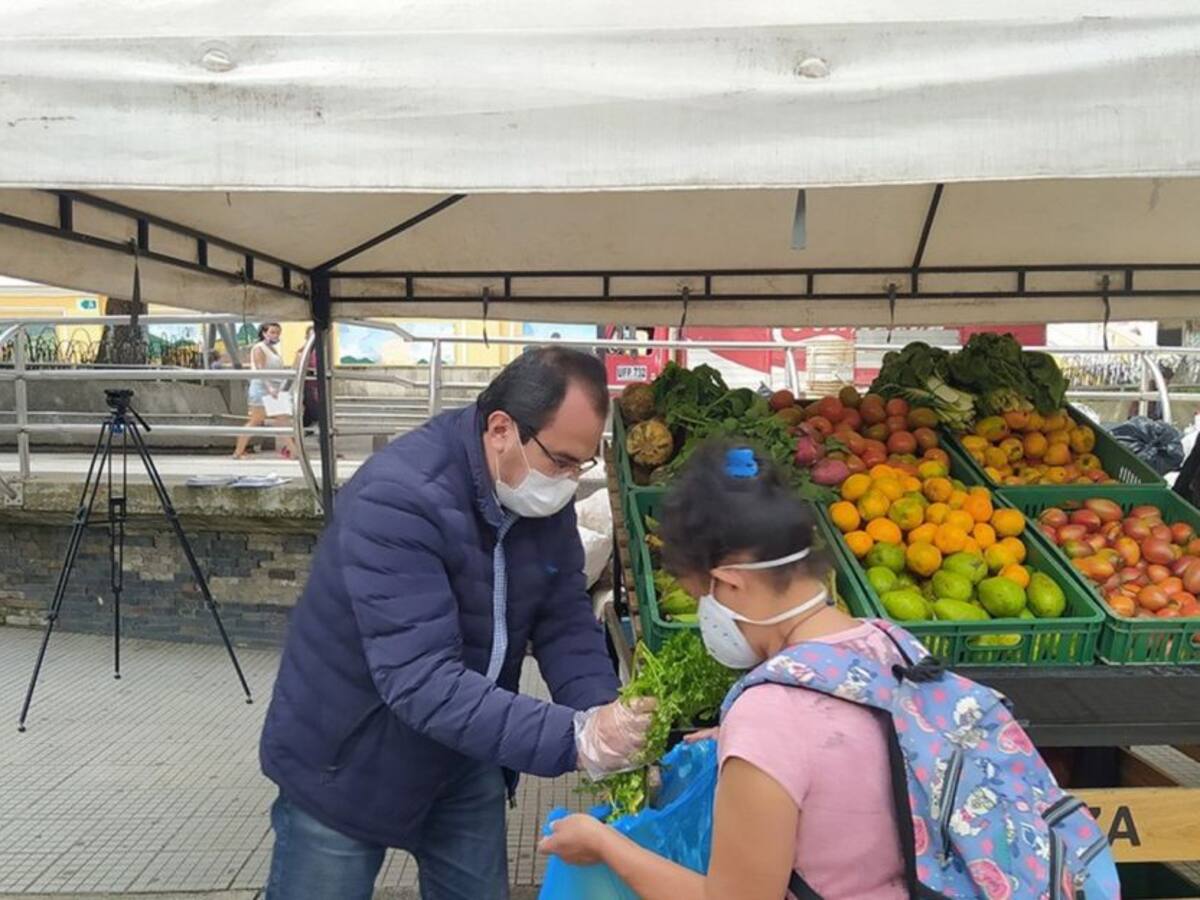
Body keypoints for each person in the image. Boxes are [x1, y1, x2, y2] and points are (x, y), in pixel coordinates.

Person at [260, 347, 653, 900]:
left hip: (465, 749)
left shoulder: (538, 494)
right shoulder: (398, 498)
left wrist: (604, 715)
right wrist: (575, 738)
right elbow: (419, 679)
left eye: (581, 465)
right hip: (347, 757)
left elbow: (563, 618)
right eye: (563, 461)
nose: (569, 481)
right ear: (500, 429)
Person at [540, 442, 906, 900]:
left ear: (730, 582)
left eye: (700, 599)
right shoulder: (888, 643)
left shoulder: (771, 717)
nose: (704, 616)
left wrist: (604, 845)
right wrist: (747, 747)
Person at [233, 322, 298, 460]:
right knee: (256, 420)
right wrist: (269, 387)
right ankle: (238, 452)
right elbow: (260, 369)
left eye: (278, 333)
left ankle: (294, 452)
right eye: (272, 332)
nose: (276, 335)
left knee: (282, 421)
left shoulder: (273, 350)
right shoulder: (259, 348)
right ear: (264, 333)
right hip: (263, 388)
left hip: (275, 389)